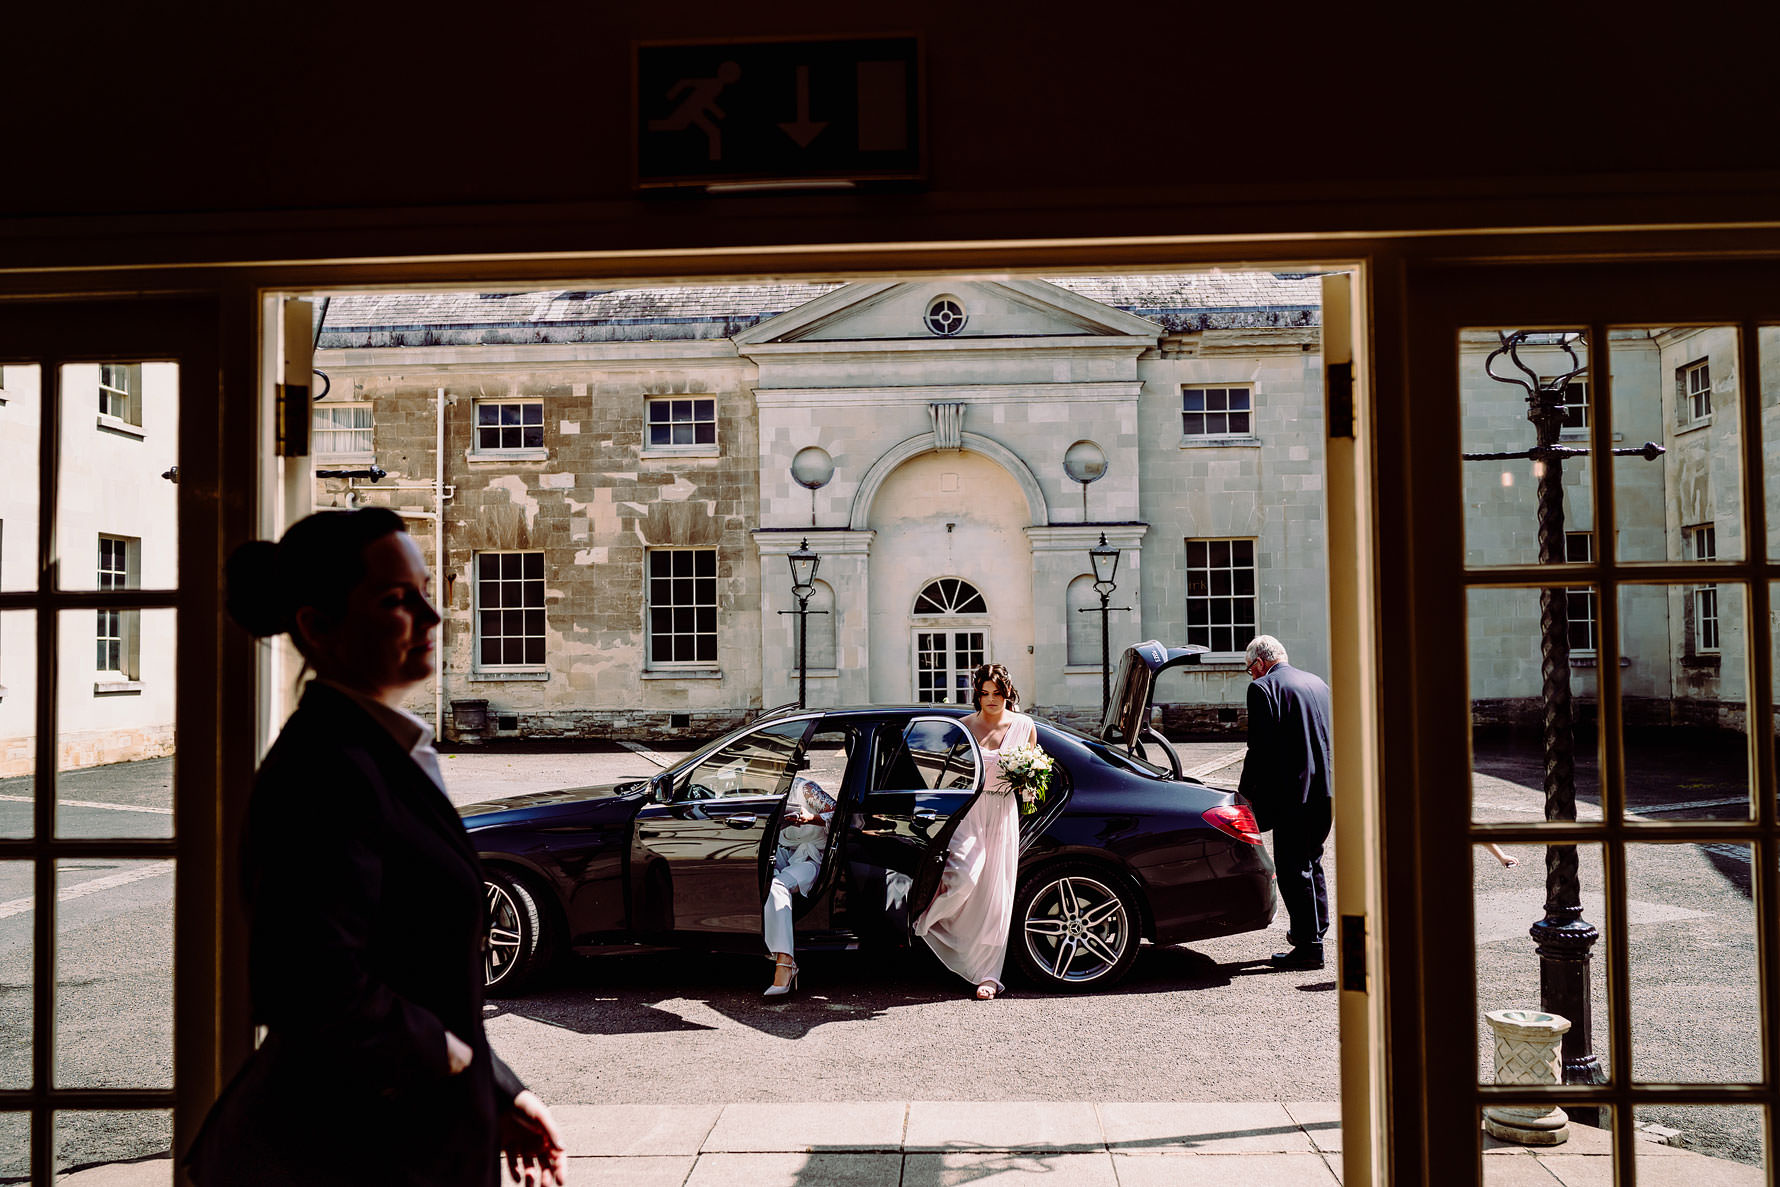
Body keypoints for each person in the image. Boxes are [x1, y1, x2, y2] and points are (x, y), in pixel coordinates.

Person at [184, 509, 566, 1187]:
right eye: (396, 599)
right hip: (355, 1153)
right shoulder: (326, 766)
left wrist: (500, 1089)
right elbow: (309, 982)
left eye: (425, 589)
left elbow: (417, 975)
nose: (431, 615)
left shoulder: (377, 748)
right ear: (317, 626)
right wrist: (456, 1065)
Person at [914, 663, 1033, 1000]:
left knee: (996, 896)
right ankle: (928, 922)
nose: (991, 700)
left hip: (1005, 812)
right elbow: (944, 772)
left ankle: (988, 974)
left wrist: (1028, 786)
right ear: (977, 695)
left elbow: (1033, 780)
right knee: (964, 876)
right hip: (971, 810)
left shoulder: (1024, 727)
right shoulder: (964, 727)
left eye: (997, 693)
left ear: (1008, 692)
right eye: (984, 693)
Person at [1239, 635, 1335, 972]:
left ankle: (1309, 948)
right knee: (1313, 862)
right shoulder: (1317, 683)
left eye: (1250, 670)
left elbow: (1259, 750)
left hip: (1292, 795)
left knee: (1294, 870)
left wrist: (1244, 793)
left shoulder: (1263, 689)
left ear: (1260, 663)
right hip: (1324, 790)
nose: (1251, 676)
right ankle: (1315, 931)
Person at [762, 774, 838, 995]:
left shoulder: (805, 790)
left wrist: (811, 818)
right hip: (783, 853)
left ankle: (785, 964)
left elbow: (843, 814)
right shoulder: (763, 794)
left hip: (811, 858)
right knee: (758, 881)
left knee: (777, 885)